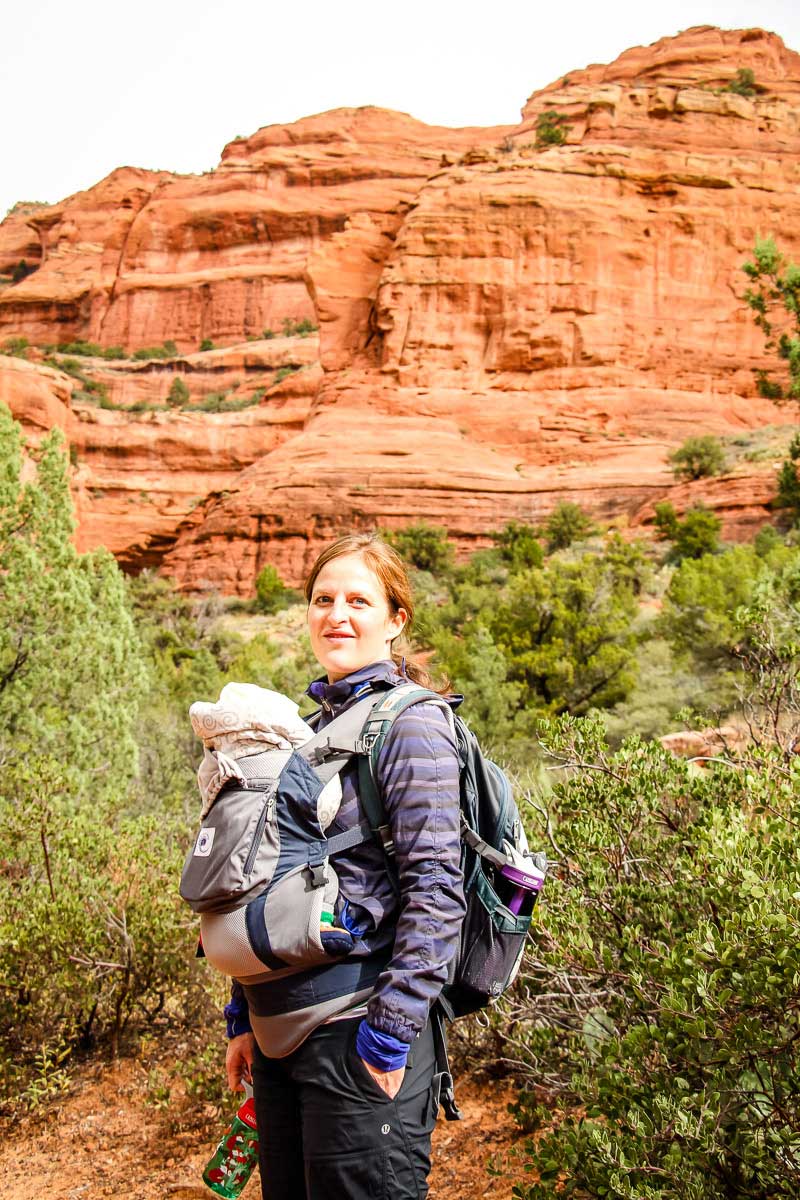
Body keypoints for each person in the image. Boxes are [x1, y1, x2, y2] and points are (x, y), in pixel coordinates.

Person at [222, 532, 466, 1199]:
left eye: (359, 600)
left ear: (396, 619)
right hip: (282, 1040)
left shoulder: (412, 726)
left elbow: (438, 892)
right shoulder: (307, 731)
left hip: (360, 1031)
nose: (338, 614)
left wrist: (388, 1037)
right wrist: (245, 1016)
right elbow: (272, 880)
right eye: (323, 598)